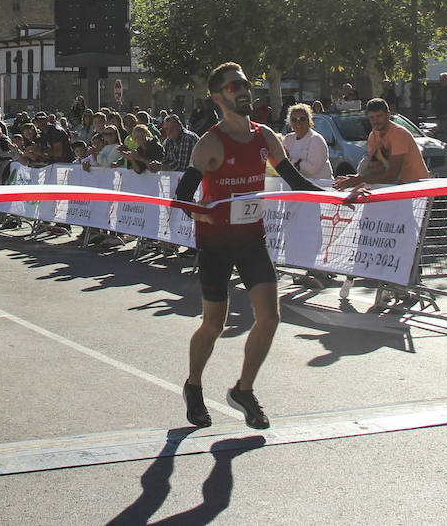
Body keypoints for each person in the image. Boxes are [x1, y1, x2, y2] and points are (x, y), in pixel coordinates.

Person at [174, 62, 333, 430]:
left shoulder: (265, 137)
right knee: (214, 323)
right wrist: (200, 213)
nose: (243, 90)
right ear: (218, 96)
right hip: (215, 244)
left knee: (270, 317)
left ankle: (244, 390)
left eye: (244, 84)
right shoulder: (211, 142)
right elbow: (183, 196)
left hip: (251, 239)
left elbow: (296, 182)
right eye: (233, 86)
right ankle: (194, 385)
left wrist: (337, 197)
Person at [334, 98, 426, 188]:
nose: (375, 121)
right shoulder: (373, 136)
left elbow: (392, 175)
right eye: (371, 117)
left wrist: (359, 180)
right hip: (397, 187)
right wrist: (354, 179)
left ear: (388, 115)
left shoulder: (399, 134)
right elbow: (373, 169)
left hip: (417, 188)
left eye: (379, 116)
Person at [282, 104, 331, 180]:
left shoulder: (316, 139)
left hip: (321, 186)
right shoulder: (288, 139)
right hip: (298, 186)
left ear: (309, 120)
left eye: (302, 119)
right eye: (294, 119)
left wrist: (290, 160)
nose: (298, 123)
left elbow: (312, 170)